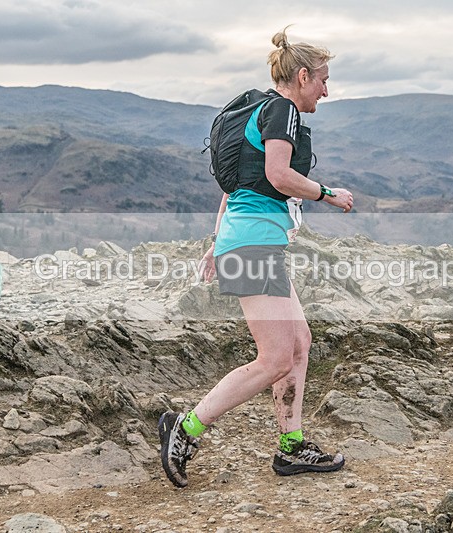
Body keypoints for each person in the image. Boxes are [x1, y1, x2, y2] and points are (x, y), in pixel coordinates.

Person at [159, 28, 354, 488]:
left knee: (299, 343)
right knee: (274, 359)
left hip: (247, 240)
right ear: (302, 75)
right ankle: (185, 429)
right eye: (322, 80)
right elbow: (277, 174)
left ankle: (292, 447)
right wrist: (328, 194)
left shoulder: (261, 108)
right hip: (253, 245)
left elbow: (236, 185)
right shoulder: (281, 110)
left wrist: (217, 240)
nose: (326, 90)